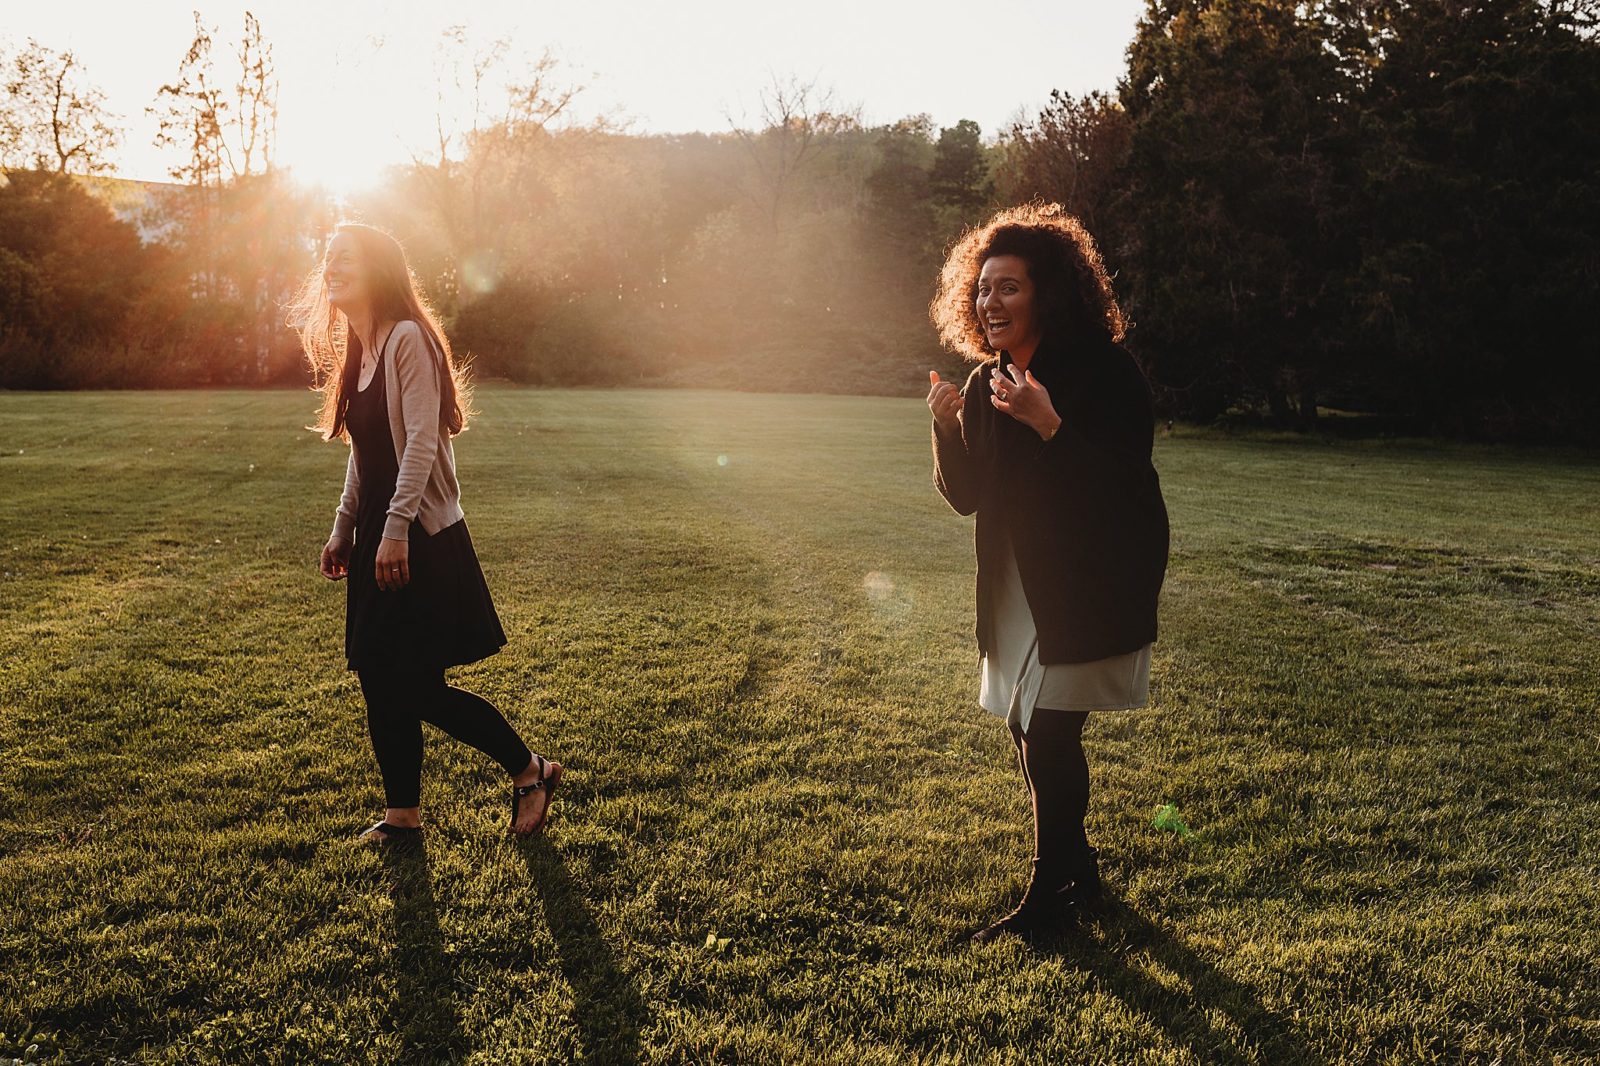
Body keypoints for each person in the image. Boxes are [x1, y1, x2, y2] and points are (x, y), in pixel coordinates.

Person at [926, 203, 1169, 942]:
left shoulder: (1102, 371)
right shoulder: (983, 384)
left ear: (1049, 295)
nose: (989, 303)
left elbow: (1126, 484)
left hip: (1090, 582)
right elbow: (969, 497)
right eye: (983, 287)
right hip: (1017, 587)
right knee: (1026, 728)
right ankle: (1080, 872)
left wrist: (1050, 424)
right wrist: (945, 430)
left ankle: (1048, 900)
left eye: (1010, 288)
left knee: (1051, 732)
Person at [290, 221, 561, 845]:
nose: (333, 265)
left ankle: (529, 771)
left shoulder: (408, 338)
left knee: (413, 684)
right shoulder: (359, 349)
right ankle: (403, 818)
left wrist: (393, 531)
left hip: (419, 537)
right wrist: (343, 530)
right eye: (327, 256)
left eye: (347, 256)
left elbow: (420, 443)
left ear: (379, 268)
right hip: (380, 537)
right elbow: (365, 453)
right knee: (379, 678)